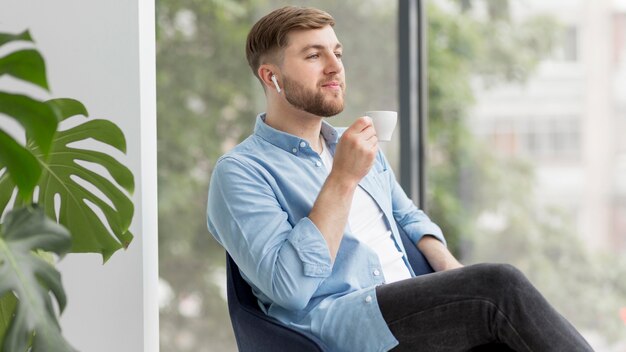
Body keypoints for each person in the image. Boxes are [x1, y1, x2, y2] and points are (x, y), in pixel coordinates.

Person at [207, 6, 593, 352]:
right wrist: (342, 178)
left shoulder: (352, 142)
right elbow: (288, 289)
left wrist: (455, 276)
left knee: (501, 322)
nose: (335, 67)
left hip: (411, 307)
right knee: (500, 285)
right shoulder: (241, 172)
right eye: (313, 55)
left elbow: (407, 216)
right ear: (271, 77)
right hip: (341, 324)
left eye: (337, 53)